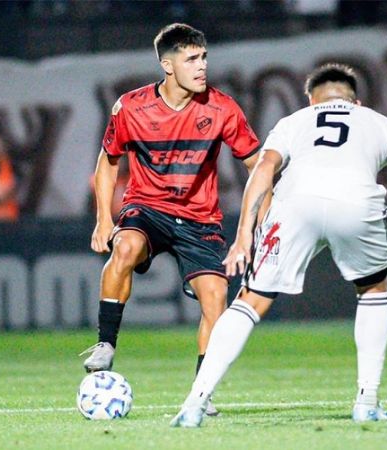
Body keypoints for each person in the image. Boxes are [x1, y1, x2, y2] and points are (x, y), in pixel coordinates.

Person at [170, 63, 387, 427]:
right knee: (373, 290)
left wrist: (245, 233)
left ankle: (194, 403)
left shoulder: (293, 122)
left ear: (311, 101)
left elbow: (263, 169)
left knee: (250, 301)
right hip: (356, 203)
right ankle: (366, 402)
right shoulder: (378, 122)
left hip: (296, 205)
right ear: (356, 102)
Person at [80, 23, 261, 416]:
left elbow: (257, 165)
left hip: (199, 219)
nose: (202, 66)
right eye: (191, 59)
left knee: (216, 296)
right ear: (167, 65)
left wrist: (261, 218)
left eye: (204, 57)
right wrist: (103, 219)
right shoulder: (131, 107)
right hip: (147, 208)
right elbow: (108, 162)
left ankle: (201, 392)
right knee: (125, 247)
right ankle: (106, 343)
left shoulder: (222, 108)